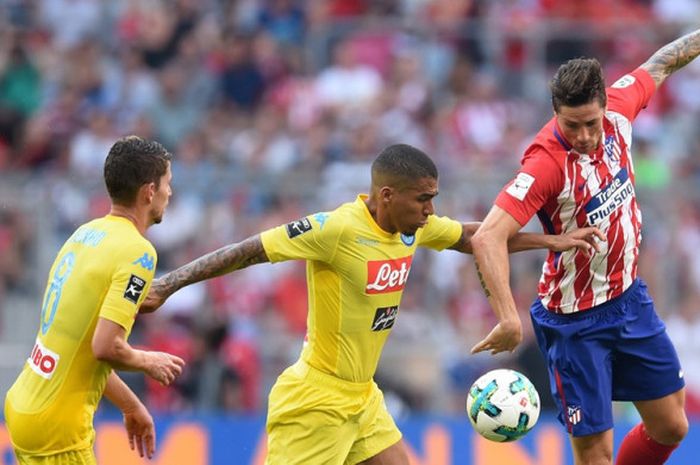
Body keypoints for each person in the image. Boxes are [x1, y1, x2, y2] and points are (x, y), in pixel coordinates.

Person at [142, 143, 603, 465]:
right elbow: (248, 251)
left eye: (433, 199)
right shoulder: (335, 230)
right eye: (423, 199)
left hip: (362, 399)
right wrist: (168, 284)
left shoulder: (412, 227)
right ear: (387, 196)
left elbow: (473, 235)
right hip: (315, 402)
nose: (430, 210)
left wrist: (552, 240)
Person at [469, 29, 700, 465]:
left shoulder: (621, 108)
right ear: (555, 112)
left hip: (630, 299)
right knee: (595, 455)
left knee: (672, 425)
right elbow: (487, 235)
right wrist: (507, 316)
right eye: (571, 125)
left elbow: (665, 60)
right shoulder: (545, 164)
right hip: (575, 322)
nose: (583, 135)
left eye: (591, 123)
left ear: (606, 106)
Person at [3, 136, 186, 464]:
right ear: (148, 191)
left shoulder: (83, 236)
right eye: (167, 183)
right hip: (59, 429)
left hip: (26, 405)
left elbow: (83, 348)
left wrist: (130, 405)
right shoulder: (138, 253)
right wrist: (148, 361)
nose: (169, 192)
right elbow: (106, 347)